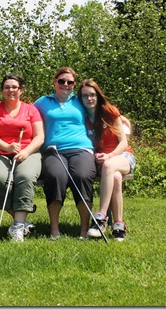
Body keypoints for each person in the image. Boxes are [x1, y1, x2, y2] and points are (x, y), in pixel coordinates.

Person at [34, 67, 96, 239]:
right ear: (55, 82)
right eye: (61, 81)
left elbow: (100, 111)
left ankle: (84, 228)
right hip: (54, 151)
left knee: (82, 176)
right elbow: (26, 116)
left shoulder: (80, 101)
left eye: (70, 82)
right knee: (55, 175)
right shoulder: (42, 102)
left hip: (81, 148)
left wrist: (119, 119)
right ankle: (54, 229)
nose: (65, 85)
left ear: (74, 84)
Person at [0, 74, 45, 242]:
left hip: (28, 152)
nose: (10, 90)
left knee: (24, 177)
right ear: (2, 90)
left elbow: (39, 136)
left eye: (14, 87)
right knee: (0, 178)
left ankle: (17, 226)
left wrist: (26, 151)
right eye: (7, 87)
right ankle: (22, 222)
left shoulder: (31, 110)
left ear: (21, 90)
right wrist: (7, 147)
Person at [77, 79, 136, 241]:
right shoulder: (82, 116)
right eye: (85, 96)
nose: (89, 99)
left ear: (98, 95)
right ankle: (118, 225)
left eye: (92, 95)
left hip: (122, 156)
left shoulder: (110, 112)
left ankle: (101, 218)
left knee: (110, 166)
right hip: (102, 161)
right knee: (116, 178)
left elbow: (124, 142)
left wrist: (110, 156)